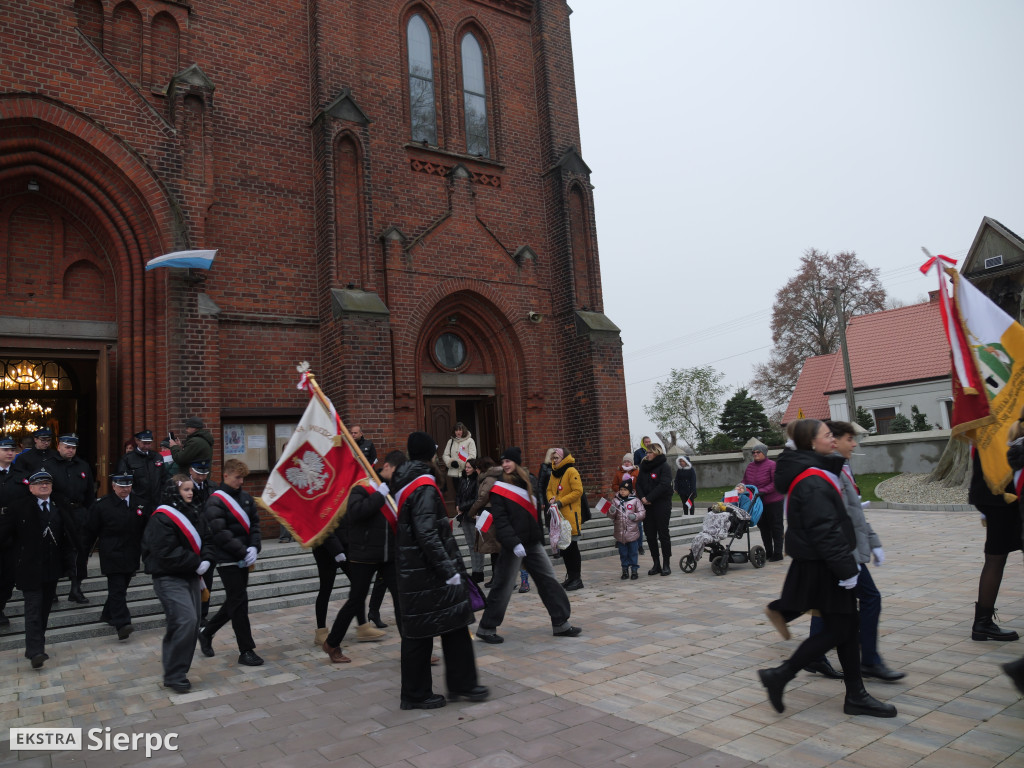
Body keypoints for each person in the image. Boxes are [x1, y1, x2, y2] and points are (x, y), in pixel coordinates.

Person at [758, 419, 896, 718]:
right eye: (828, 435)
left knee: (845, 628)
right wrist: (847, 570)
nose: (833, 439)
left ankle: (853, 694)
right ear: (811, 443)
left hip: (827, 563)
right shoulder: (811, 479)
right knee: (840, 629)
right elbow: (825, 530)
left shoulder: (818, 471)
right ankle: (782, 674)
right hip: (826, 566)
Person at [802, 420, 904, 682]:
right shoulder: (829, 470)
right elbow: (829, 519)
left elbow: (854, 510)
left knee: (829, 604)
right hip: (841, 553)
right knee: (870, 599)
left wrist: (874, 541)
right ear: (834, 441)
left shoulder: (841, 467)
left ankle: (814, 655)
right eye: (850, 438)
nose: (855, 443)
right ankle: (868, 659)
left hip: (843, 551)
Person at [392, 432, 487, 709]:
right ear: (431, 454)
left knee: (441, 626)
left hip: (417, 569)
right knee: (436, 628)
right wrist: (447, 568)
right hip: (429, 571)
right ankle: (419, 693)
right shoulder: (422, 485)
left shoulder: (406, 479)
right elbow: (426, 532)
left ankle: (456, 685)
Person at [475, 447, 581, 644]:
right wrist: (513, 543)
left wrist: (539, 538)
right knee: (503, 586)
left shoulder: (528, 482)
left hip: (532, 543)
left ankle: (560, 622)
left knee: (548, 580)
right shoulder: (498, 488)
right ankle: (486, 627)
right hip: (512, 545)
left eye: (509, 461)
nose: (505, 464)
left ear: (516, 462)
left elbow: (534, 516)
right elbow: (501, 520)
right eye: (503, 461)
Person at [319, 453, 403, 663]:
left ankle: (415, 647)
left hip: (388, 554)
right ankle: (332, 643)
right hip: (364, 555)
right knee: (355, 600)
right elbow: (356, 512)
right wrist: (379, 495)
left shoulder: (393, 489)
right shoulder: (361, 488)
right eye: (397, 471)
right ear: (387, 467)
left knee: (402, 599)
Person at [142, 475, 216, 693]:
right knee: (186, 620)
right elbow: (164, 551)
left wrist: (207, 559)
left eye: (191, 489)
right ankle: (175, 674)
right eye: (185, 489)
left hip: (192, 575)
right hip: (169, 577)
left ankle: (176, 672)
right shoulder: (161, 518)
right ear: (175, 491)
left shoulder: (195, 512)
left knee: (189, 625)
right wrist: (195, 561)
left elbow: (208, 540)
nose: (190, 493)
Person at [0, 470, 76, 668]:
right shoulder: (18, 507)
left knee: (44, 610)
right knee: (33, 609)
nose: (44, 486)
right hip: (29, 568)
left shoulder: (59, 505)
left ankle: (37, 644)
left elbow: (69, 534)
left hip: (53, 567)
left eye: (47, 483)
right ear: (31, 487)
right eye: (39, 483)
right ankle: (35, 651)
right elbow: (4, 535)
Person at [198, 459, 264, 666]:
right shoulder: (215, 501)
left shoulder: (246, 497)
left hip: (244, 558)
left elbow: (255, 524)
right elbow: (220, 533)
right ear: (226, 475)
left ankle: (207, 633)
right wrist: (243, 551)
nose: (241, 481)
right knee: (240, 603)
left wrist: (254, 547)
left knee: (234, 601)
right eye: (237, 477)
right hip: (228, 559)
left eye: (243, 477)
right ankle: (246, 650)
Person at [81, 471, 150, 640]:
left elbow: (148, 529)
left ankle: (108, 614)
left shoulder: (139, 503)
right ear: (113, 486)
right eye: (121, 486)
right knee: (117, 589)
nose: (125, 489)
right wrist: (83, 554)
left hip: (131, 554)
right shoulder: (102, 505)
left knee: (121, 588)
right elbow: (90, 531)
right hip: (111, 554)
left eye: (128, 485)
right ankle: (122, 624)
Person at [971, 434, 1021, 642]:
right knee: (996, 557)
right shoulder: (1003, 409)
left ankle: (982, 622)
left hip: (994, 490)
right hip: (1001, 491)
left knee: (995, 556)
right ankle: (982, 623)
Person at [45, 433, 95, 604]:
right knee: (54, 553)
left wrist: (90, 514)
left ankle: (76, 589)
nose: (70, 450)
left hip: (78, 513)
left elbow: (89, 493)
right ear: (59, 447)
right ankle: (51, 590)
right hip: (57, 513)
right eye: (67, 447)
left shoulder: (83, 466)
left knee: (79, 552)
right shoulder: (49, 466)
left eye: (73, 448)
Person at [546, 447, 585, 590]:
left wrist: (560, 501)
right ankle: (570, 577)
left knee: (572, 548)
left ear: (564, 458)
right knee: (565, 549)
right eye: (553, 458)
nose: (554, 461)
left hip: (569, 515)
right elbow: (549, 489)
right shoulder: (554, 473)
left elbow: (578, 491)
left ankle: (577, 579)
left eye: (556, 458)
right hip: (558, 516)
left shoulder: (571, 471)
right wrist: (551, 499)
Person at [0, 437, 29, 626]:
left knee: (8, 575)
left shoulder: (21, 475)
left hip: (12, 533)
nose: (10, 453)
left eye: (12, 450)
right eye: (5, 450)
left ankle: (1, 605)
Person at [742, 443, 784, 561]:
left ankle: (778, 553)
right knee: (764, 527)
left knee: (776, 527)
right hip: (758, 503)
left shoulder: (772, 465)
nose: (755, 454)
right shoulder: (750, 466)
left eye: (758, 452)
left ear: (764, 453)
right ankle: (769, 552)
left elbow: (775, 483)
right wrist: (740, 487)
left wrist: (763, 491)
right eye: (753, 452)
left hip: (773, 501)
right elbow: (745, 480)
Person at [636, 444, 673, 576]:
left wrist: (650, 497)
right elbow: (638, 484)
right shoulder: (644, 467)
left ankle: (666, 564)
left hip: (661, 504)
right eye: (647, 452)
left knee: (663, 534)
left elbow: (664, 485)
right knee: (650, 535)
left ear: (656, 453)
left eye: (650, 452)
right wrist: (643, 498)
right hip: (647, 505)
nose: (647, 454)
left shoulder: (664, 467)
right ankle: (656, 563)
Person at [187, 461, 216, 625]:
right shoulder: (184, 486)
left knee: (208, 578)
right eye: (199, 473)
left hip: (209, 538)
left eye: (204, 473)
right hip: (191, 536)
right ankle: (191, 612)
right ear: (191, 470)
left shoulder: (212, 486)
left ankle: (203, 614)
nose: (202, 476)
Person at [117, 430, 168, 509]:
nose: (147, 446)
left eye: (149, 443)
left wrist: (162, 495)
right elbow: (124, 480)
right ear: (137, 441)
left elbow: (164, 477)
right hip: (137, 501)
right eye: (144, 443)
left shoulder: (157, 457)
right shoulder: (128, 458)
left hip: (156, 501)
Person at [455, 458, 486, 583]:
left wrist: (462, 507)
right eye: (466, 467)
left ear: (474, 469)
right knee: (470, 545)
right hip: (464, 517)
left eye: (469, 467)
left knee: (477, 545)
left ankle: (479, 571)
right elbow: (458, 495)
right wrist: (457, 505)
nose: (466, 469)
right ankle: (474, 570)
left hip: (473, 515)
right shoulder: (463, 479)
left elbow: (476, 499)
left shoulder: (477, 481)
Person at [609, 479, 646, 580]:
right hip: (620, 533)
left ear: (630, 491)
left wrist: (635, 516)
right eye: (621, 489)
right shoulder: (615, 501)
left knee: (633, 552)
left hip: (632, 532)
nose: (622, 491)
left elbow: (642, 512)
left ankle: (634, 570)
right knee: (623, 553)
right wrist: (612, 511)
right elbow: (611, 516)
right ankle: (624, 570)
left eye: (625, 490)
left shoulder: (635, 500)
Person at [442, 422, 476, 502]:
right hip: (454, 473)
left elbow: (473, 456)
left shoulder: (470, 441)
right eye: (456, 430)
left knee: (467, 495)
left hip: (466, 472)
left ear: (463, 430)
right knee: (458, 495)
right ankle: (459, 512)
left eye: (460, 430)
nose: (458, 432)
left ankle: (468, 513)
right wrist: (451, 462)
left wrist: (462, 464)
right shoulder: (450, 441)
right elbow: (445, 455)